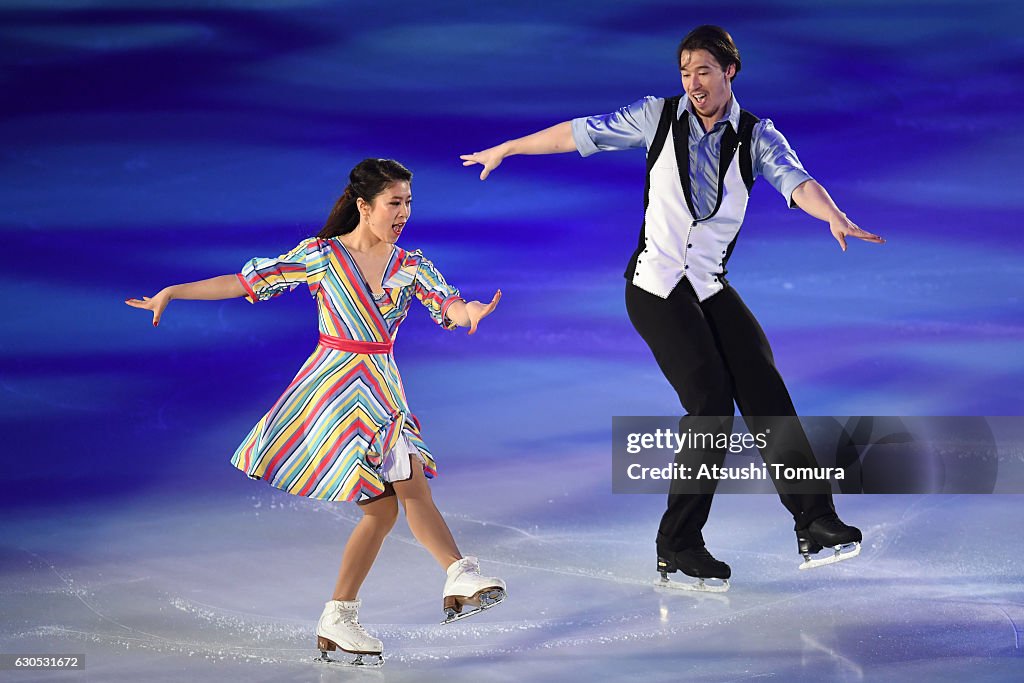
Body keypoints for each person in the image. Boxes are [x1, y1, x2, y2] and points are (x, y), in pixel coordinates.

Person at [460, 26, 883, 589]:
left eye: (703, 71)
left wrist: (831, 214)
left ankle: (816, 522)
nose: (693, 83)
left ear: (730, 71)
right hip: (655, 286)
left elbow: (795, 180)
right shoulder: (655, 118)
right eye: (685, 72)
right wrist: (510, 147)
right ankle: (679, 545)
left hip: (708, 284)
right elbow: (579, 134)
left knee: (764, 390)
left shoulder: (758, 136)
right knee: (710, 403)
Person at [126, 158, 507, 666]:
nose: (403, 214)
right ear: (364, 205)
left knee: (385, 507)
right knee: (406, 483)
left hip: (382, 384)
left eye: (409, 203)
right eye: (395, 203)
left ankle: (341, 616)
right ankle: (456, 572)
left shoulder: (411, 265)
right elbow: (245, 282)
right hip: (335, 385)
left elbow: (449, 306)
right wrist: (173, 292)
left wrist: (471, 314)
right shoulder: (322, 257)